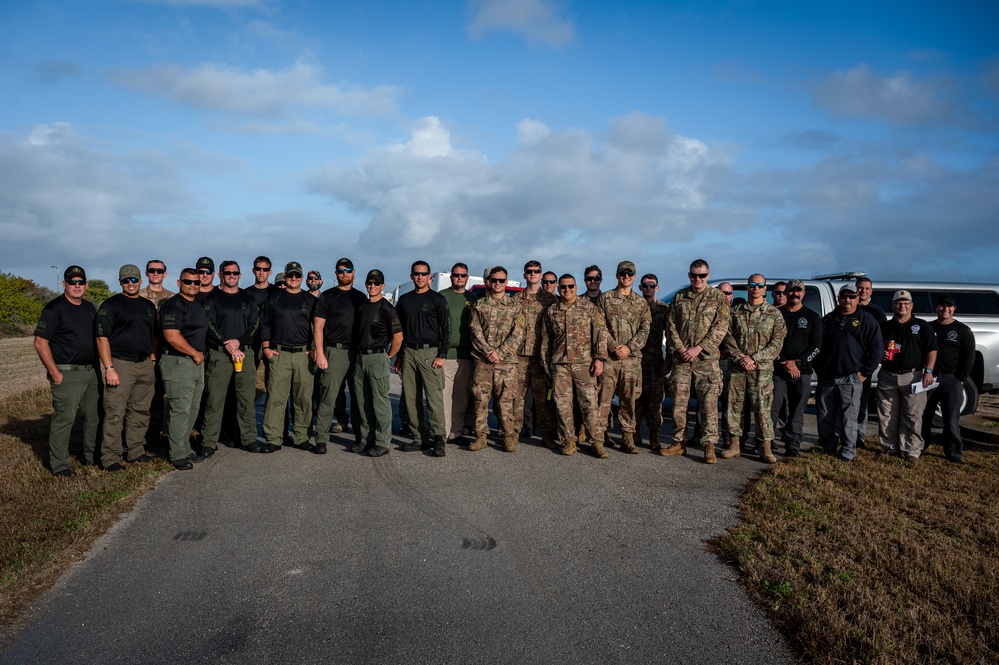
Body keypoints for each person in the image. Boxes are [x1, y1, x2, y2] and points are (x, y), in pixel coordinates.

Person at [33, 266, 100, 477]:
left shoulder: (90, 308)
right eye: (73, 282)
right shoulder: (54, 308)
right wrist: (54, 372)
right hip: (67, 372)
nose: (77, 286)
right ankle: (60, 465)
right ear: (64, 285)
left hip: (91, 372)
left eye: (81, 282)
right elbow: (40, 342)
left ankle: (92, 457)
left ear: (86, 285)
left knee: (94, 417)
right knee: (65, 419)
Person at [663, 259, 731, 463]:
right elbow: (671, 324)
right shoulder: (680, 297)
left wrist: (698, 348)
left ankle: (709, 446)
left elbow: (721, 328)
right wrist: (682, 349)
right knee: (678, 403)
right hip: (682, 359)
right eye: (694, 275)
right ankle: (678, 442)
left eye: (702, 275)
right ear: (689, 275)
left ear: (708, 276)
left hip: (706, 360)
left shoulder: (717, 298)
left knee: (708, 405)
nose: (698, 279)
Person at [95, 264, 158, 471]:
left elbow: (155, 334)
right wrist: (109, 367)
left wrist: (152, 357)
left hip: (144, 364)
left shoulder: (148, 306)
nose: (130, 284)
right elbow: (102, 338)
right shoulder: (111, 305)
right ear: (120, 282)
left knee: (140, 410)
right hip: (120, 364)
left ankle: (136, 451)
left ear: (140, 281)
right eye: (126, 280)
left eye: (134, 280)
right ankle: (110, 457)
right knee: (115, 412)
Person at [719, 274, 787, 463]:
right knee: (734, 406)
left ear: (765, 289)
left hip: (762, 371)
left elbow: (777, 342)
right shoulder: (736, 312)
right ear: (748, 288)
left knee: (762, 409)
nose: (755, 288)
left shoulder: (774, 315)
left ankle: (765, 447)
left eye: (760, 285)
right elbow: (727, 336)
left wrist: (754, 359)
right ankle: (734, 444)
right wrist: (741, 357)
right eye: (752, 285)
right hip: (737, 369)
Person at [541, 274, 608, 457]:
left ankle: (596, 442)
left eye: (570, 286)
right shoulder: (551, 311)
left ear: (576, 287)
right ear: (558, 288)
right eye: (563, 287)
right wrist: (548, 368)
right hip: (560, 365)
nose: (567, 290)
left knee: (589, 404)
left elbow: (600, 335)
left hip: (584, 364)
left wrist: (600, 359)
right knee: (562, 405)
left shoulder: (588, 308)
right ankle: (568, 441)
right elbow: (546, 343)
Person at [813, 284, 882, 462]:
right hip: (827, 378)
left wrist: (864, 373)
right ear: (839, 298)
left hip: (850, 378)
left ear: (858, 298)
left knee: (848, 417)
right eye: (844, 297)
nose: (847, 300)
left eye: (851, 296)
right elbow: (816, 347)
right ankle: (828, 446)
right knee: (825, 415)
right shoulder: (828, 320)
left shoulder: (866, 320)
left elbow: (877, 350)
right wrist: (820, 370)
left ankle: (848, 449)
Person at [201, 260, 260, 455]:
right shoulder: (212, 299)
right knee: (215, 399)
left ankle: (249, 438)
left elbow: (255, 325)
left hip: (245, 354)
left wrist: (239, 343)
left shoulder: (248, 299)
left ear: (240, 275)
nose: (232, 276)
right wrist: (228, 344)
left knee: (245, 399)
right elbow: (209, 325)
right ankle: (209, 442)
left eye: (235, 273)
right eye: (227, 273)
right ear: (220, 275)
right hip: (220, 354)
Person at [394, 260, 451, 453]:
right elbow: (399, 331)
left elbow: (446, 329)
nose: (420, 277)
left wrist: (442, 354)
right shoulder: (404, 300)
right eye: (416, 273)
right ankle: (419, 437)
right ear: (411, 276)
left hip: (430, 353)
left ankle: (438, 438)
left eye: (423, 273)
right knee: (411, 397)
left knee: (434, 398)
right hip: (409, 352)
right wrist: (400, 357)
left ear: (430, 277)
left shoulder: (437, 300)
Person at [469, 266, 526, 453]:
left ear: (506, 282)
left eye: (501, 280)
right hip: (483, 361)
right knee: (480, 399)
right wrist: (488, 352)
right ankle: (481, 436)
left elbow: (518, 334)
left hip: (506, 362)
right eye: (494, 280)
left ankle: (507, 436)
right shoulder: (479, 305)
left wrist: (500, 353)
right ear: (489, 281)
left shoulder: (515, 307)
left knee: (506, 401)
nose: (498, 284)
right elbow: (475, 331)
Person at [313, 258, 367, 455]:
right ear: (336, 273)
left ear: (354, 272)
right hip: (334, 352)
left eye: (348, 270)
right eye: (341, 270)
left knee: (358, 397)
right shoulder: (327, 297)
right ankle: (321, 438)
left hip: (357, 353)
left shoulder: (361, 297)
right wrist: (320, 353)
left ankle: (361, 438)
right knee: (328, 397)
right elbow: (318, 328)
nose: (344, 273)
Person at [596, 261, 651, 454]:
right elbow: (600, 326)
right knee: (604, 398)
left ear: (634, 277)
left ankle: (628, 437)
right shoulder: (606, 298)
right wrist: (613, 346)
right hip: (610, 359)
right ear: (617, 275)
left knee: (629, 399)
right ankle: (600, 436)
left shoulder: (641, 303)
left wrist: (629, 347)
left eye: (630, 274)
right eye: (622, 273)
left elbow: (645, 329)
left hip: (631, 359)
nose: (626, 277)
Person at [260, 262, 315, 452]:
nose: (293, 278)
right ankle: (273, 438)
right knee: (276, 397)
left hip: (303, 355)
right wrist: (266, 347)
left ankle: (301, 437)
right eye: (290, 275)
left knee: (303, 399)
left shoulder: (310, 300)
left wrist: (315, 349)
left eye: (297, 275)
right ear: (285, 276)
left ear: (301, 277)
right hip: (279, 354)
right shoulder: (274, 298)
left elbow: (318, 328)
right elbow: (265, 324)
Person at [159, 268, 210, 470]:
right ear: (179, 282)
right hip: (179, 362)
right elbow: (171, 336)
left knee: (192, 408)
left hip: (195, 363)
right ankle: (177, 454)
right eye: (188, 282)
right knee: (180, 409)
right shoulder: (173, 306)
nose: (193, 286)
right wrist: (194, 353)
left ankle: (184, 446)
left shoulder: (195, 304)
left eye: (197, 283)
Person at [877, 290, 937, 462]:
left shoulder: (922, 326)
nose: (901, 306)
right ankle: (891, 448)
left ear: (911, 305)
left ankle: (912, 450)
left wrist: (929, 371)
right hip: (888, 375)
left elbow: (932, 350)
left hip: (913, 375)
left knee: (912, 414)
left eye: (905, 303)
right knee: (886, 414)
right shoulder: (885, 327)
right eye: (898, 303)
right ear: (892, 305)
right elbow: (876, 348)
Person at [352, 269, 403, 457]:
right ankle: (365, 439)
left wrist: (387, 356)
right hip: (360, 358)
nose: (372, 286)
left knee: (379, 401)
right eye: (369, 283)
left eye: (376, 283)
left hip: (377, 358)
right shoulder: (362, 307)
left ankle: (382, 441)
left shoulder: (387, 309)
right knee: (362, 401)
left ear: (383, 286)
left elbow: (398, 336)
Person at [770, 279, 822, 458]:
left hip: (802, 371)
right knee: (772, 407)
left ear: (803, 293)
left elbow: (816, 346)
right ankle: (767, 441)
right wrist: (784, 362)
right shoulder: (775, 314)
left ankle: (792, 444)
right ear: (786, 293)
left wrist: (797, 363)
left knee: (797, 408)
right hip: (778, 370)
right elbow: (769, 343)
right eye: (791, 291)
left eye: (798, 291)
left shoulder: (812, 317)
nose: (795, 294)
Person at [922, 294, 975, 464]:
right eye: (942, 306)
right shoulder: (928, 328)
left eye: (949, 306)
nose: (945, 309)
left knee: (951, 417)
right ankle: (921, 445)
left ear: (954, 309)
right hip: (929, 377)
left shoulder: (962, 330)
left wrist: (960, 378)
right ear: (936, 307)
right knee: (924, 415)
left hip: (951, 378)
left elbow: (969, 356)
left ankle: (953, 450)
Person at [512, 260, 558, 449]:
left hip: (540, 358)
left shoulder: (550, 300)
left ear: (541, 274)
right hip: (520, 356)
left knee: (542, 400)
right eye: (529, 271)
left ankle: (546, 435)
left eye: (536, 271)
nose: (533, 274)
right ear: (524, 275)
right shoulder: (515, 300)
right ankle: (512, 433)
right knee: (517, 398)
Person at [439, 262, 477, 445]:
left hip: (467, 356)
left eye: (463, 275)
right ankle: (443, 433)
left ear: (467, 277)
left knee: (461, 397)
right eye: (456, 275)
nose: (459, 278)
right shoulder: (442, 297)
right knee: (445, 396)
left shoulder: (473, 299)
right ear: (451, 276)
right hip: (447, 355)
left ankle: (456, 432)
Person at [635, 273, 669, 451]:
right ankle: (635, 433)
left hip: (656, 362)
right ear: (640, 287)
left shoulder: (663, 309)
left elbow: (670, 337)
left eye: (651, 285)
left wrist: (667, 361)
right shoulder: (634, 307)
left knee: (655, 401)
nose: (648, 288)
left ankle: (654, 436)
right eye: (645, 285)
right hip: (636, 360)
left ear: (657, 288)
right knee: (635, 399)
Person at [855, 276, 887, 449]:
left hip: (865, 366)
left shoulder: (877, 312)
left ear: (871, 291)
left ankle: (860, 437)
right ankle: (844, 435)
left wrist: (870, 366)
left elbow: (881, 340)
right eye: (860, 288)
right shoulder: (846, 309)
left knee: (862, 402)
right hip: (848, 363)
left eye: (867, 288)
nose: (863, 291)